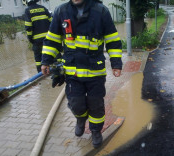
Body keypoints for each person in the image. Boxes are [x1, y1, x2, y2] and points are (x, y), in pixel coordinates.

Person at [41, 0, 122, 148]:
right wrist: (46, 61)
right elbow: (52, 40)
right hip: (73, 73)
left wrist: (116, 63)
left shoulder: (101, 11)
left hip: (95, 72)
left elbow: (112, 40)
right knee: (76, 103)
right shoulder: (61, 11)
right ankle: (80, 119)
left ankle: (95, 131)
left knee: (96, 105)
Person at [25, 0, 52, 72]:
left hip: (37, 41)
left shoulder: (28, 10)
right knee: (50, 55)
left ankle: (41, 75)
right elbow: (52, 21)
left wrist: (30, 39)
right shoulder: (43, 8)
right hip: (48, 39)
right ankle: (53, 72)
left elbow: (28, 27)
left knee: (38, 59)